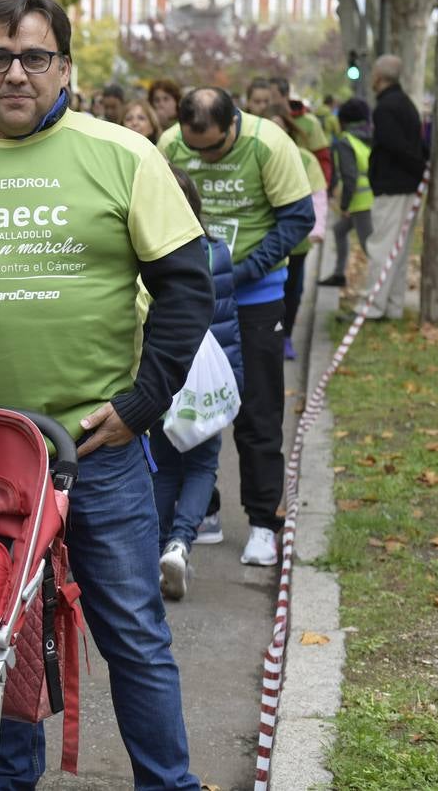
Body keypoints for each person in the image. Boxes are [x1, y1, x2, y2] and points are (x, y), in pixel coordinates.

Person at [0, 0, 212, 790]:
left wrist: (143, 404)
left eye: (34, 57)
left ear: (65, 68)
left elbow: (186, 288)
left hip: (96, 453)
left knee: (135, 639)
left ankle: (167, 784)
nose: (16, 74)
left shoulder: (124, 155)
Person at [160, 88, 314, 567]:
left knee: (258, 411)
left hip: (255, 295)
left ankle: (264, 522)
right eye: (194, 149)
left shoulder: (271, 145)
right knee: (182, 406)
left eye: (212, 148)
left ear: (233, 125)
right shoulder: (169, 143)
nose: (201, 158)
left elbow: (298, 219)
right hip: (188, 294)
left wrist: (240, 271)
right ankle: (202, 510)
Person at [153, 167, 244, 601]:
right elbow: (227, 322)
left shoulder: (143, 255)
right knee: (203, 463)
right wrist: (236, 378)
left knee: (165, 464)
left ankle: (156, 547)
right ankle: (180, 542)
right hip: (205, 377)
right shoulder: (216, 252)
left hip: (159, 373)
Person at [361, 54, 426, 321]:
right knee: (398, 251)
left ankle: (372, 308)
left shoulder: (386, 108)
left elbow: (394, 145)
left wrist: (416, 168)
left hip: (393, 187)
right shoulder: (406, 104)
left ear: (379, 77)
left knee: (381, 247)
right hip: (407, 186)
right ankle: (393, 307)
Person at [266, 103, 327, 360]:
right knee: (268, 294)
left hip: (297, 243)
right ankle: (268, 336)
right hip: (264, 243)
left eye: (281, 129)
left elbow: (318, 195)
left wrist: (318, 228)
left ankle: (286, 336)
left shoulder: (305, 159)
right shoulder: (251, 157)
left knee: (293, 290)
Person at [318, 98, 374, 288]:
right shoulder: (370, 136)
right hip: (370, 195)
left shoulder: (345, 142)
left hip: (359, 201)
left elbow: (349, 177)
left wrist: (344, 205)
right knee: (339, 230)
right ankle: (339, 274)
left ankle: (378, 288)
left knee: (369, 246)